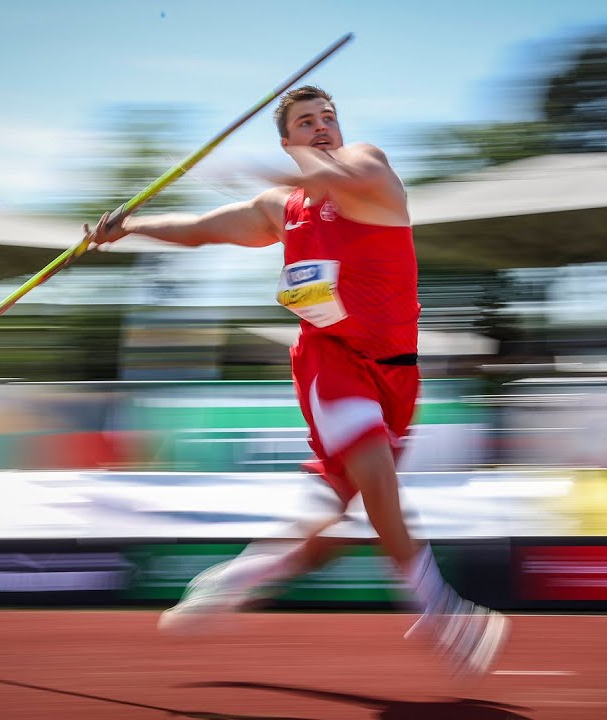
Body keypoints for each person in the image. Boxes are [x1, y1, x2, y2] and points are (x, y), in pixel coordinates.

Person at [84, 85, 508, 676]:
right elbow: (203, 228)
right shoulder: (282, 210)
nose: (321, 128)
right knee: (375, 471)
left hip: (396, 373)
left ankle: (236, 578)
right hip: (329, 359)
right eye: (305, 123)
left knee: (322, 532)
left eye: (327, 118)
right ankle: (440, 611)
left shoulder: (369, 169)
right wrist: (129, 227)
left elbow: (340, 174)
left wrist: (247, 164)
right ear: (288, 139)